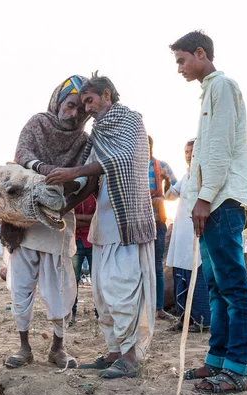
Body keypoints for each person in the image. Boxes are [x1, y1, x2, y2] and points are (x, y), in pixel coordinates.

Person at [46, 73, 156, 378]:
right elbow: (91, 180)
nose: (87, 109)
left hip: (127, 222)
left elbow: (123, 160)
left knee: (123, 289)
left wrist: (72, 172)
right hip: (105, 222)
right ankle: (114, 352)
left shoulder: (131, 121)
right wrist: (62, 208)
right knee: (103, 293)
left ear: (107, 95)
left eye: (90, 101)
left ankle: (131, 357)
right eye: (83, 103)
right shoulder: (99, 132)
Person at [171, 30, 247, 393]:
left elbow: (218, 150)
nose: (179, 69)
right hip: (210, 201)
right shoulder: (209, 93)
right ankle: (217, 359)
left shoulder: (222, 88)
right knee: (217, 287)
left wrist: (203, 198)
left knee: (234, 287)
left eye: (182, 60)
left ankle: (238, 368)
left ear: (200, 54)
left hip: (222, 201)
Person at [2, 75, 90, 370]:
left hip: (58, 218)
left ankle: (58, 347)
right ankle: (24, 347)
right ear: (58, 101)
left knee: (60, 287)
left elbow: (83, 179)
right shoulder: (37, 123)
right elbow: (22, 155)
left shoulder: (84, 141)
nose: (74, 113)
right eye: (71, 105)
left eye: (81, 109)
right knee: (22, 287)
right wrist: (44, 169)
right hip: (24, 220)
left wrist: (64, 191)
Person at [165, 139, 211, 332]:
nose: (188, 155)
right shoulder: (186, 177)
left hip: (196, 234)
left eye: (191, 151)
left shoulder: (205, 175)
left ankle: (201, 321)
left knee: (198, 276)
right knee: (180, 275)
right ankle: (185, 319)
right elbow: (171, 195)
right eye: (185, 152)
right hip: (181, 234)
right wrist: (165, 181)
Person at [148, 136, 177, 320]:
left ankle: (158, 309)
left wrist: (162, 198)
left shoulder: (162, 166)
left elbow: (176, 188)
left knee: (157, 265)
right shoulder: (131, 165)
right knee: (137, 266)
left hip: (157, 221)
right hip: (136, 223)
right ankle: (142, 307)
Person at [69, 195, 97, 327]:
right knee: (72, 281)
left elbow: (98, 218)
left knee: (97, 280)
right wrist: (89, 220)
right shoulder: (73, 194)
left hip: (93, 241)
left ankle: (100, 314)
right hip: (76, 241)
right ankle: (71, 314)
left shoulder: (95, 195)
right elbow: (69, 219)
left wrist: (77, 218)